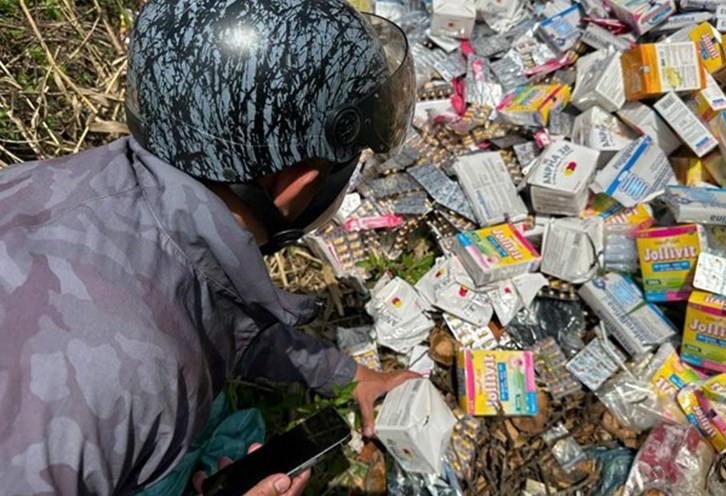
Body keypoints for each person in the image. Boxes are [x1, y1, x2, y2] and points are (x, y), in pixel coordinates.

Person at [0, 0, 417, 494]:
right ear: (295, 180)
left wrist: (348, 374)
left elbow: (215, 311)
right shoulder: (133, 383)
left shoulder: (67, 183)